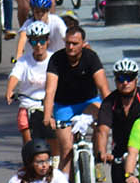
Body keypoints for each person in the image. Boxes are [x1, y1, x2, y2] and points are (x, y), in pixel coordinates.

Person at [40, 26, 108, 164]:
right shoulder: (56, 59)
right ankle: (67, 182)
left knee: (101, 126)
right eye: (68, 43)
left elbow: (103, 88)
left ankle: (98, 160)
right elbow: (50, 90)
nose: (71, 47)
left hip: (89, 102)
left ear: (83, 43)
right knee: (66, 149)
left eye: (75, 43)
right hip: (64, 106)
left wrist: (112, 112)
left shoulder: (91, 57)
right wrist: (47, 116)